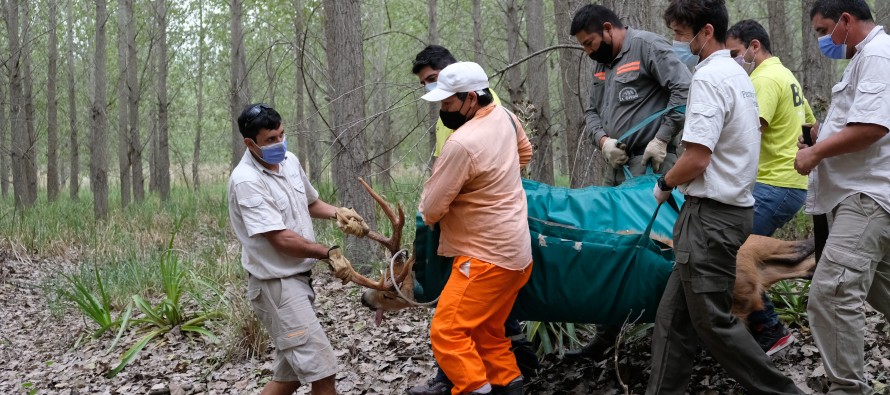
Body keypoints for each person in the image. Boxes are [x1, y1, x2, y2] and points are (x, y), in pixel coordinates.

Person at [647, 1, 801, 393]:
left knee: (713, 322)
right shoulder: (737, 75)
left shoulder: (710, 78)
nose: (679, 42)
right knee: (673, 321)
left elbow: (697, 157)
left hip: (711, 217)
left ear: (707, 31)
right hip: (723, 212)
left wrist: (665, 183)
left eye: (682, 34)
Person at [407, 46, 538, 395]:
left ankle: (473, 389)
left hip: (483, 258)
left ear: (469, 98)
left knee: (447, 332)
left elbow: (432, 210)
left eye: (448, 104)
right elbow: (525, 153)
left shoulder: (462, 143)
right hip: (516, 254)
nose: (442, 111)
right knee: (487, 331)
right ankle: (510, 386)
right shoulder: (506, 117)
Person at [564, 3, 691, 362]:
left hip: (652, 163)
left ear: (608, 28)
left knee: (661, 244)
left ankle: (676, 329)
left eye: (590, 43)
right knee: (614, 246)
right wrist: (602, 142)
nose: (588, 52)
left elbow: (684, 88)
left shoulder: (648, 47)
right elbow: (590, 111)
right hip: (617, 166)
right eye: (584, 47)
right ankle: (607, 334)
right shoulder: (602, 65)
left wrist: (664, 138)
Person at [227, 103, 369, 395]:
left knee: (288, 379)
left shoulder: (289, 161)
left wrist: (338, 213)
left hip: (298, 282)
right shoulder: (246, 181)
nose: (279, 143)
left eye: (281, 135)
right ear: (249, 143)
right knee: (324, 373)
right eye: (270, 140)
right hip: (277, 288)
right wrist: (328, 252)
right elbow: (281, 239)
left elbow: (310, 202)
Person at [795, 0, 890, 393]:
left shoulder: (878, 56)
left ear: (846, 21)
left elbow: (871, 127)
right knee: (878, 286)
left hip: (867, 196)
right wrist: (823, 137)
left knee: (832, 292)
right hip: (862, 194)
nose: (821, 40)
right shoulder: (865, 58)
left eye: (822, 30)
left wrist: (815, 153)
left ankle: (848, 390)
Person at [726, 19, 818, 356]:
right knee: (744, 254)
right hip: (790, 184)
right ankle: (808, 266)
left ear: (754, 46)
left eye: (735, 53)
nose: (733, 61)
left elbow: (751, 131)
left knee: (730, 252)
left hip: (773, 184)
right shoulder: (787, 76)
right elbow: (810, 125)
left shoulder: (763, 78)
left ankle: (771, 332)